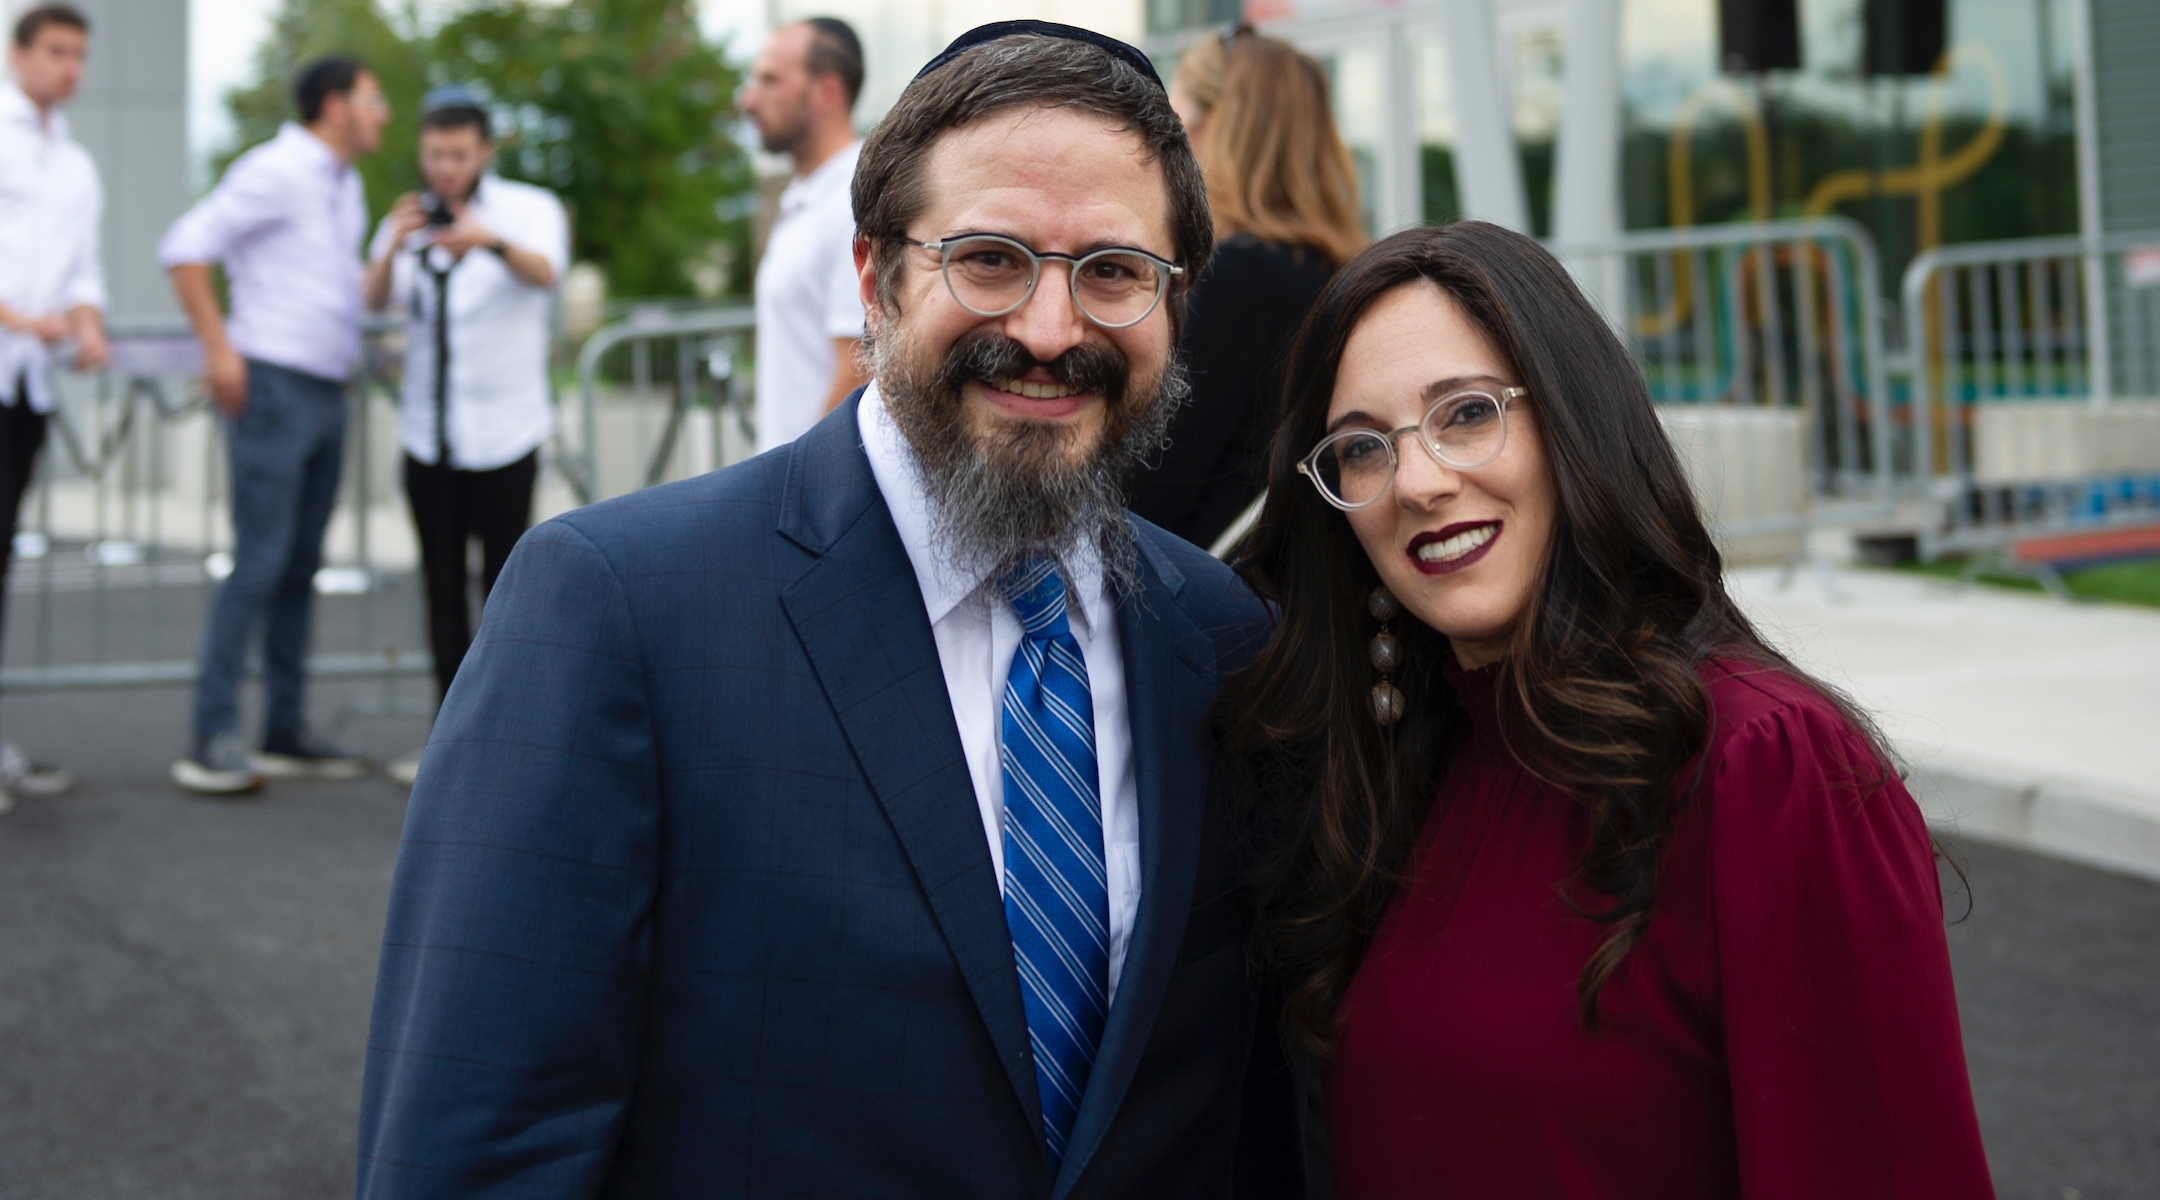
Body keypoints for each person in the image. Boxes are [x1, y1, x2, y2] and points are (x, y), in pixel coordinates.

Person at [357, 22, 1302, 1197]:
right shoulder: (618, 611)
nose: (1053, 331)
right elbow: (477, 1147)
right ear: (875, 277)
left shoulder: (1220, 637)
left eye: (1111, 272)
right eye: (991, 258)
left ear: (1175, 303)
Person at [1217, 222, 1997, 1198]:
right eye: (1362, 448)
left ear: (1575, 423)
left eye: (1465, 414)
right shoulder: (1397, 770)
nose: (1416, 482)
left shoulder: (1764, 765)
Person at [159, 57, 389, 794]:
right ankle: (211, 733)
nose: (382, 112)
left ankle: (283, 727)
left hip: (326, 387)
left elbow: (329, 284)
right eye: (371, 99)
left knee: (298, 566)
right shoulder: (277, 169)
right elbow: (186, 247)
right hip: (273, 384)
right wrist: (220, 350)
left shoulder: (344, 185)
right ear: (334, 106)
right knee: (259, 561)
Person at [362, 86, 569, 787]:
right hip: (429, 435)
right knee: (439, 591)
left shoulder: (527, 211)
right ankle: (446, 740)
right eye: (433, 155)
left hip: (505, 432)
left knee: (506, 587)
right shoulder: (409, 219)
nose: (444, 168)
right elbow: (373, 299)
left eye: (457, 154)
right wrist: (391, 245)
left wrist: (488, 239)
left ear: (484, 151)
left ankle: (506, 737)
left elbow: (547, 274)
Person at [1126, 26, 1363, 552]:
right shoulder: (1329, 271)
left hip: (1197, 590)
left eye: (1174, 118)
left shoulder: (1246, 275)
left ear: (1218, 127)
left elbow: (1152, 486)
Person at [0, 3, 105, 810]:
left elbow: (81, 274)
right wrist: (17, 318)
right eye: (56, 51)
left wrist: (86, 324)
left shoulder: (75, 165)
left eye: (79, 54)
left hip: (24, 387)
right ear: (18, 53)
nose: (69, 67)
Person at [738, 16, 868, 452]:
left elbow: (859, 367)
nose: (747, 99)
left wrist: (799, 486)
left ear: (826, 92)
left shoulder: (854, 200)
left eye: (770, 80)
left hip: (816, 492)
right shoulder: (808, 197)